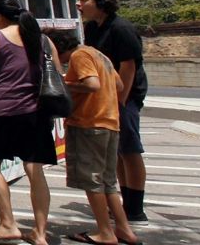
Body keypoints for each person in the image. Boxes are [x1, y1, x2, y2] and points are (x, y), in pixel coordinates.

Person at [0, 0, 58, 245]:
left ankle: (8, 224)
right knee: (34, 168)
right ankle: (40, 233)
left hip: (5, 112)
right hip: (37, 113)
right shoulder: (44, 40)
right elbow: (57, 74)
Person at [48, 30, 141, 245]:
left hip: (88, 124)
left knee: (92, 181)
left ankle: (105, 233)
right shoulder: (100, 55)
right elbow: (117, 85)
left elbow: (92, 84)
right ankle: (124, 229)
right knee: (108, 181)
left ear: (59, 48)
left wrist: (62, 84)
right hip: (110, 122)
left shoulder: (79, 56)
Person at [80, 0, 149, 223]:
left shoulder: (122, 28)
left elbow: (128, 67)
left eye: (84, 0)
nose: (79, 5)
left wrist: (119, 101)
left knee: (130, 149)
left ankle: (136, 208)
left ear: (100, 2)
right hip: (107, 96)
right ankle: (125, 202)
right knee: (116, 152)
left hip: (126, 96)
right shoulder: (91, 28)